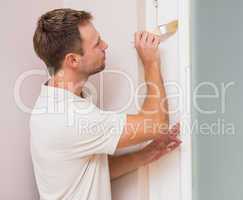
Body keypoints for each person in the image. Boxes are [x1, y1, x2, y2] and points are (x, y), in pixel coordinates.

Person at [30, 8, 181, 200]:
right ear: (73, 60)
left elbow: (84, 173)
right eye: (96, 44)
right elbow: (156, 124)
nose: (105, 45)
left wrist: (146, 154)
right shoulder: (71, 116)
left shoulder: (53, 99)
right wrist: (151, 63)